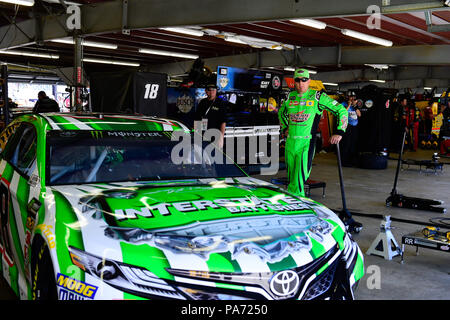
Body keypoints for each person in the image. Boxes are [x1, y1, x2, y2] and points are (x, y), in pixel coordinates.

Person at [278, 68, 348, 197]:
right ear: (294, 82)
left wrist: (339, 131)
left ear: (309, 81)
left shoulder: (318, 97)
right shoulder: (289, 96)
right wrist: (285, 128)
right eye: (297, 81)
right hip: (290, 143)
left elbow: (341, 110)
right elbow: (281, 112)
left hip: (306, 143)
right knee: (291, 179)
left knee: (298, 180)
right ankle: (293, 203)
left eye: (304, 80)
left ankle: (298, 206)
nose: (300, 83)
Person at [194, 84, 227, 148]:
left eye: (213, 90)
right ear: (206, 91)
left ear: (216, 91)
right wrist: (196, 135)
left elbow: (223, 121)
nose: (211, 92)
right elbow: (197, 118)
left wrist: (221, 138)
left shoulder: (220, 103)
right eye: (209, 90)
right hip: (203, 135)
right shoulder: (202, 102)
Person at [340, 91, 361, 167]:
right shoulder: (343, 104)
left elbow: (359, 114)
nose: (352, 98)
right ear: (347, 97)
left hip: (354, 126)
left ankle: (352, 160)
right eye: (351, 97)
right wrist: (348, 105)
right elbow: (343, 113)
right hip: (347, 125)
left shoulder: (355, 106)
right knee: (346, 143)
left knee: (353, 143)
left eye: (353, 97)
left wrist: (355, 106)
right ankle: (344, 162)